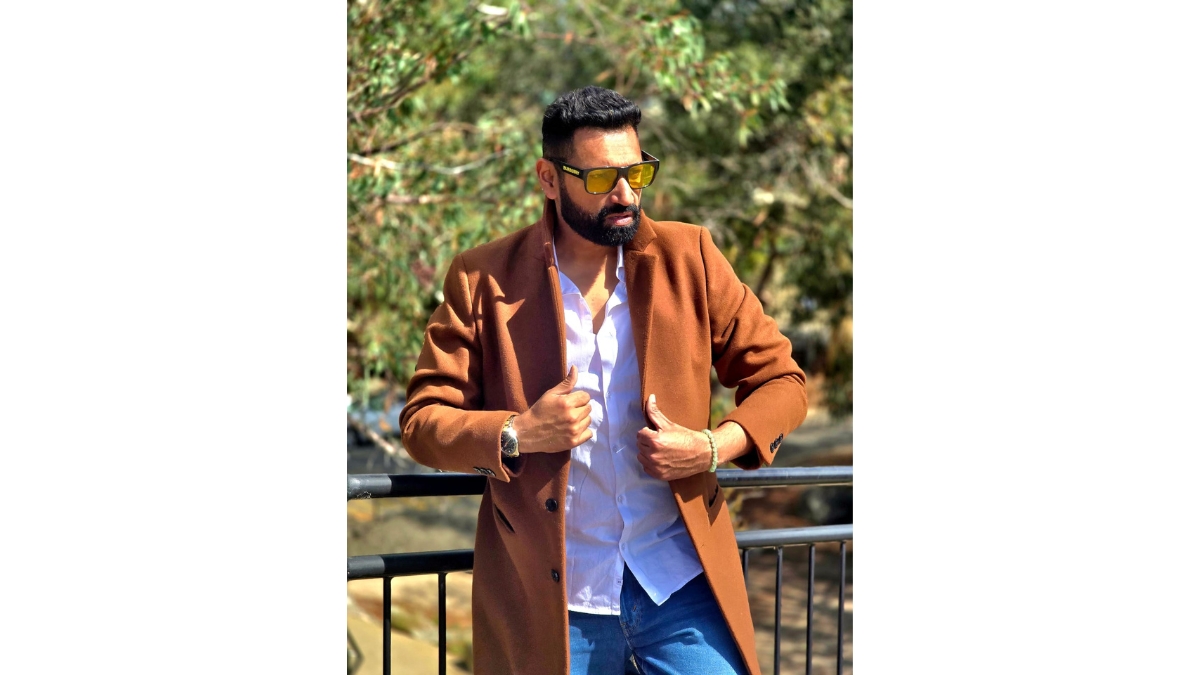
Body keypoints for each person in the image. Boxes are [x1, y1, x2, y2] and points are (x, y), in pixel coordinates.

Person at [400, 86, 807, 675]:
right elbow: (422, 421)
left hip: (679, 582)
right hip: (553, 600)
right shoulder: (483, 279)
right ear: (548, 178)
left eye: (636, 172)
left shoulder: (690, 257)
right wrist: (518, 433)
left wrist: (713, 446)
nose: (625, 194)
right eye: (599, 179)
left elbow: (782, 380)